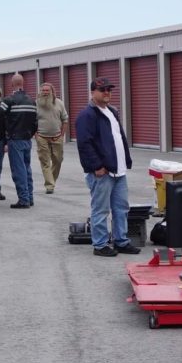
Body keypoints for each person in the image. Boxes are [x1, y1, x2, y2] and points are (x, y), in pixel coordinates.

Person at [74, 78, 140, 257]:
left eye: (109, 89)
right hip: (102, 172)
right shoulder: (87, 115)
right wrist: (96, 166)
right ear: (92, 92)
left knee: (121, 208)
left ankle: (121, 241)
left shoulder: (112, 112)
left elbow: (119, 138)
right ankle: (100, 244)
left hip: (118, 170)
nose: (107, 93)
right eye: (102, 89)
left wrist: (125, 160)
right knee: (101, 209)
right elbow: (84, 144)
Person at [3, 75, 39, 208]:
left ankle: (23, 200)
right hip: (27, 139)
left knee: (19, 170)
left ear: (12, 84)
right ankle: (29, 197)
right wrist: (30, 134)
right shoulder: (31, 101)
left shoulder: (9, 100)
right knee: (27, 168)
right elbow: (36, 122)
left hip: (15, 139)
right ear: (23, 83)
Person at [35, 82, 69, 194]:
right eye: (43, 90)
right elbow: (32, 121)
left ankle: (52, 181)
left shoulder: (59, 103)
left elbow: (65, 120)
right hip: (41, 137)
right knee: (45, 162)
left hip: (57, 137)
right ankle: (50, 186)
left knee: (58, 160)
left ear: (52, 91)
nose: (45, 92)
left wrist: (62, 135)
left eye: (47, 90)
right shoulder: (36, 104)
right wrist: (36, 134)